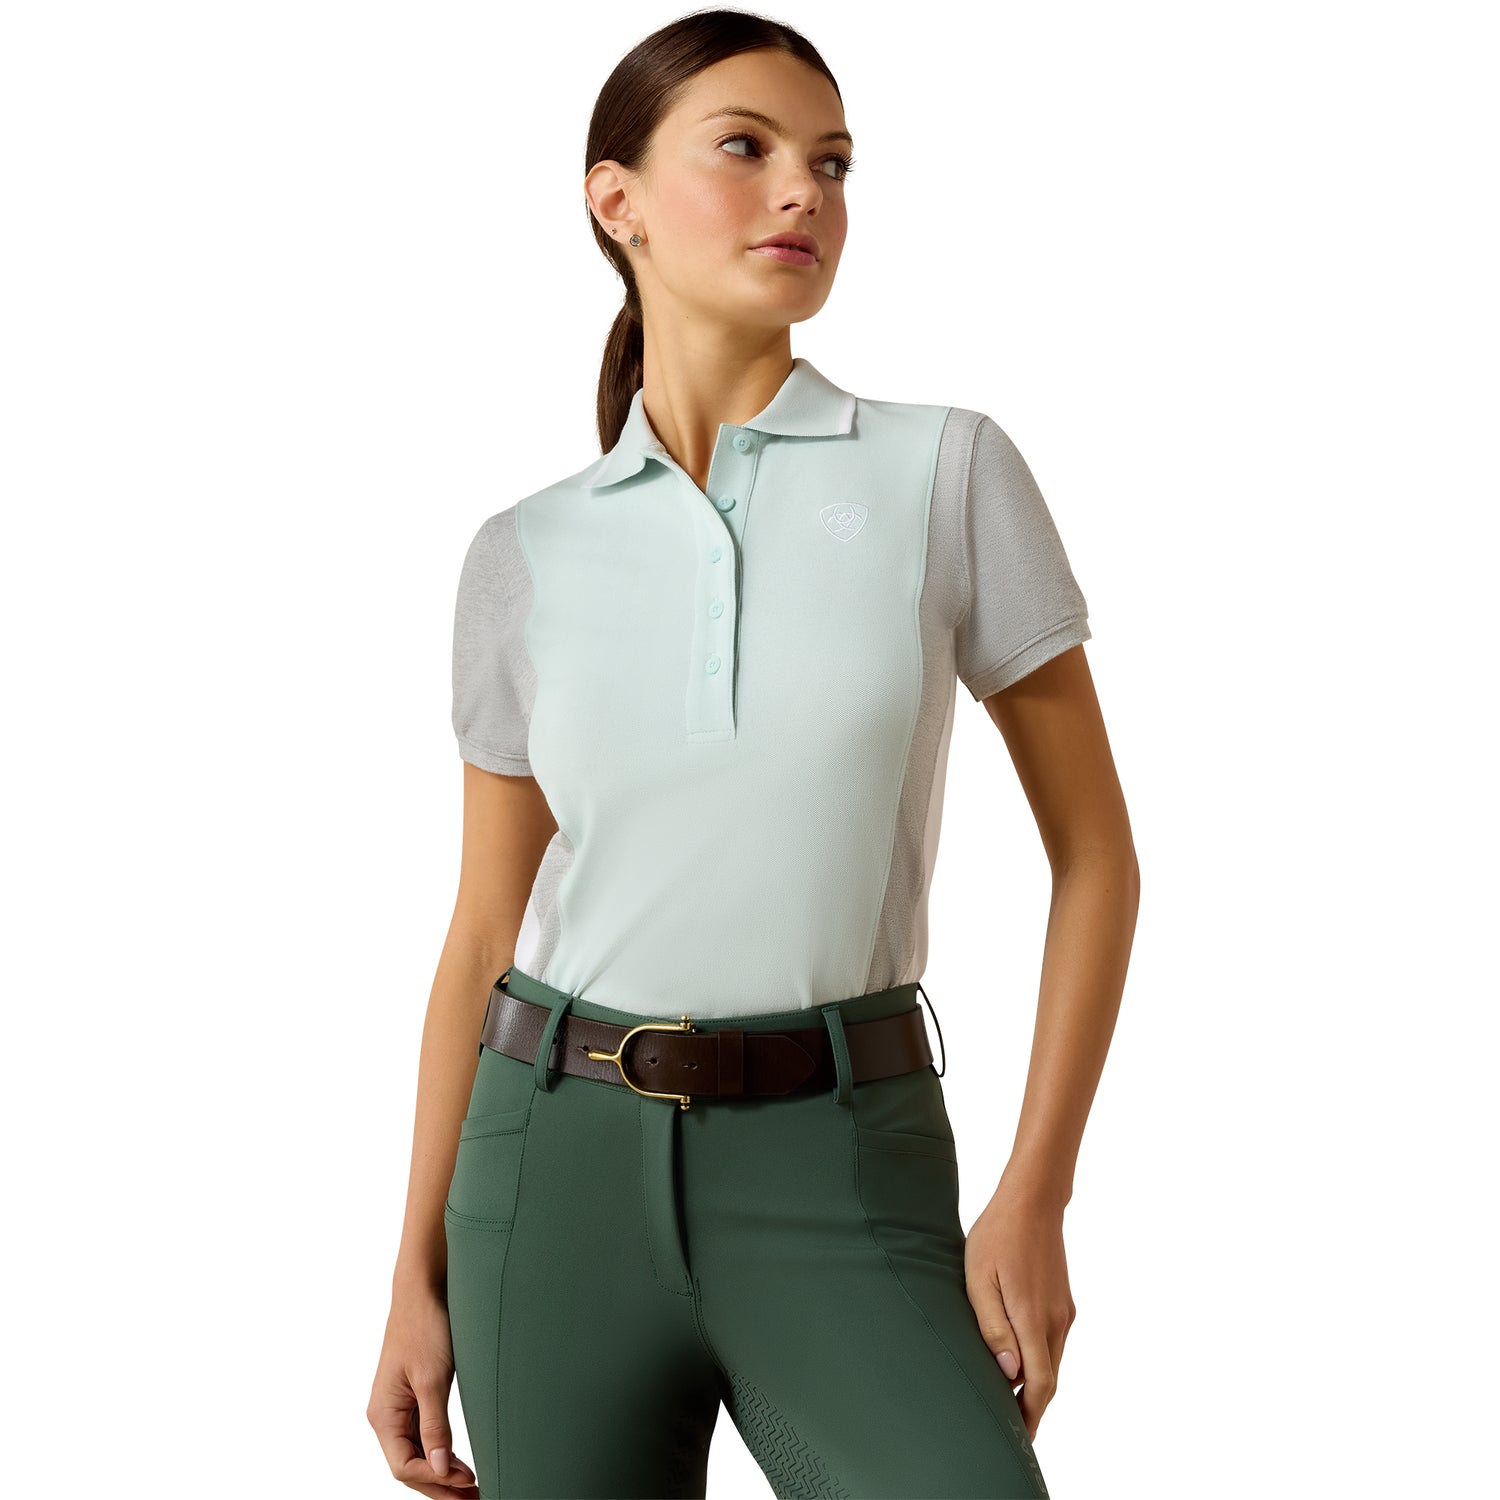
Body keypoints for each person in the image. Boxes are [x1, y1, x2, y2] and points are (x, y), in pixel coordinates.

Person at [367, 11, 1139, 1498]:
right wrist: (412, 1268)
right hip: (550, 1174)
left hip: (843, 1160)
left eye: (832, 163)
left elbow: (1097, 856)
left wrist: (1036, 1192)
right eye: (747, 147)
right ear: (617, 201)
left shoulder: (945, 471)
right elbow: (481, 934)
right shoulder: (523, 553)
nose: (805, 192)